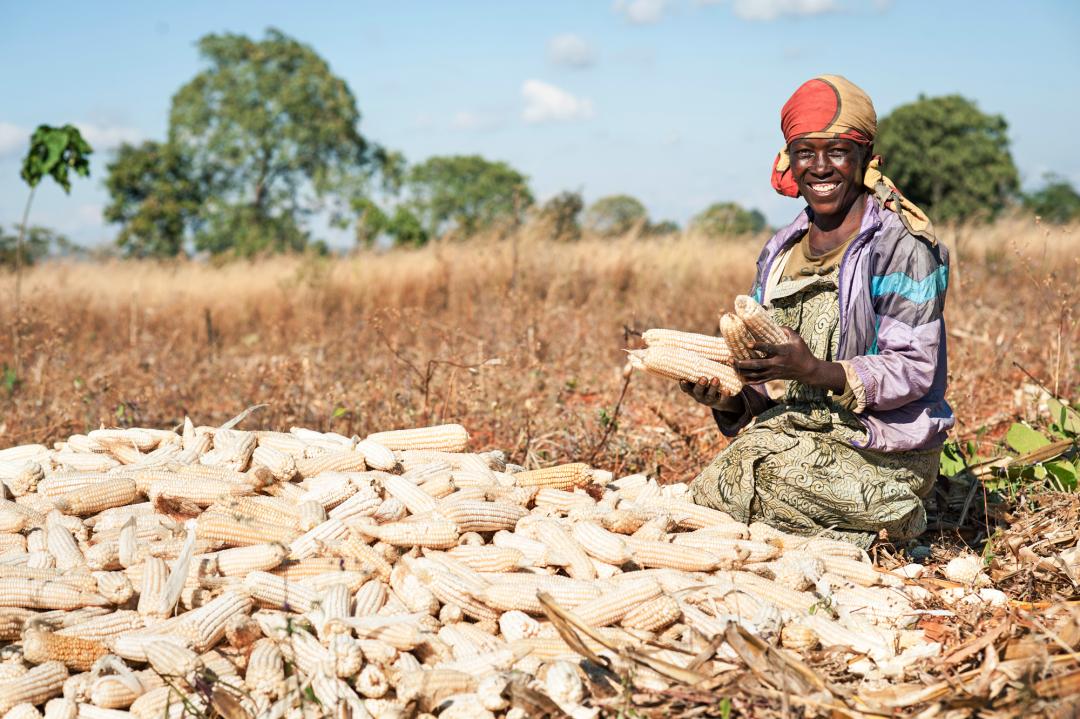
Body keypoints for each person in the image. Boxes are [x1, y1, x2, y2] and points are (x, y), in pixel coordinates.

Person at [685, 75, 952, 548]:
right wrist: (729, 398)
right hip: (793, 435)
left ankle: (898, 515)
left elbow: (915, 368)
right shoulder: (780, 251)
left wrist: (817, 371)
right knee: (715, 489)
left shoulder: (901, 247)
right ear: (789, 160)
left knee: (761, 486)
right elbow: (769, 385)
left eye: (838, 151)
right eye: (806, 151)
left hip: (876, 447)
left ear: (866, 159)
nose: (821, 166)